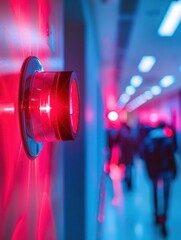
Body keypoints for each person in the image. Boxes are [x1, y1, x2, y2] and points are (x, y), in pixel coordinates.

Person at [143, 121, 177, 237]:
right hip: (166, 172)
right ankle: (164, 217)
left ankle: (156, 215)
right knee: (166, 196)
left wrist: (149, 172)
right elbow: (172, 158)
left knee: (155, 194)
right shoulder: (167, 141)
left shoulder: (149, 141)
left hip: (154, 173)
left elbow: (145, 158)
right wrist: (175, 172)